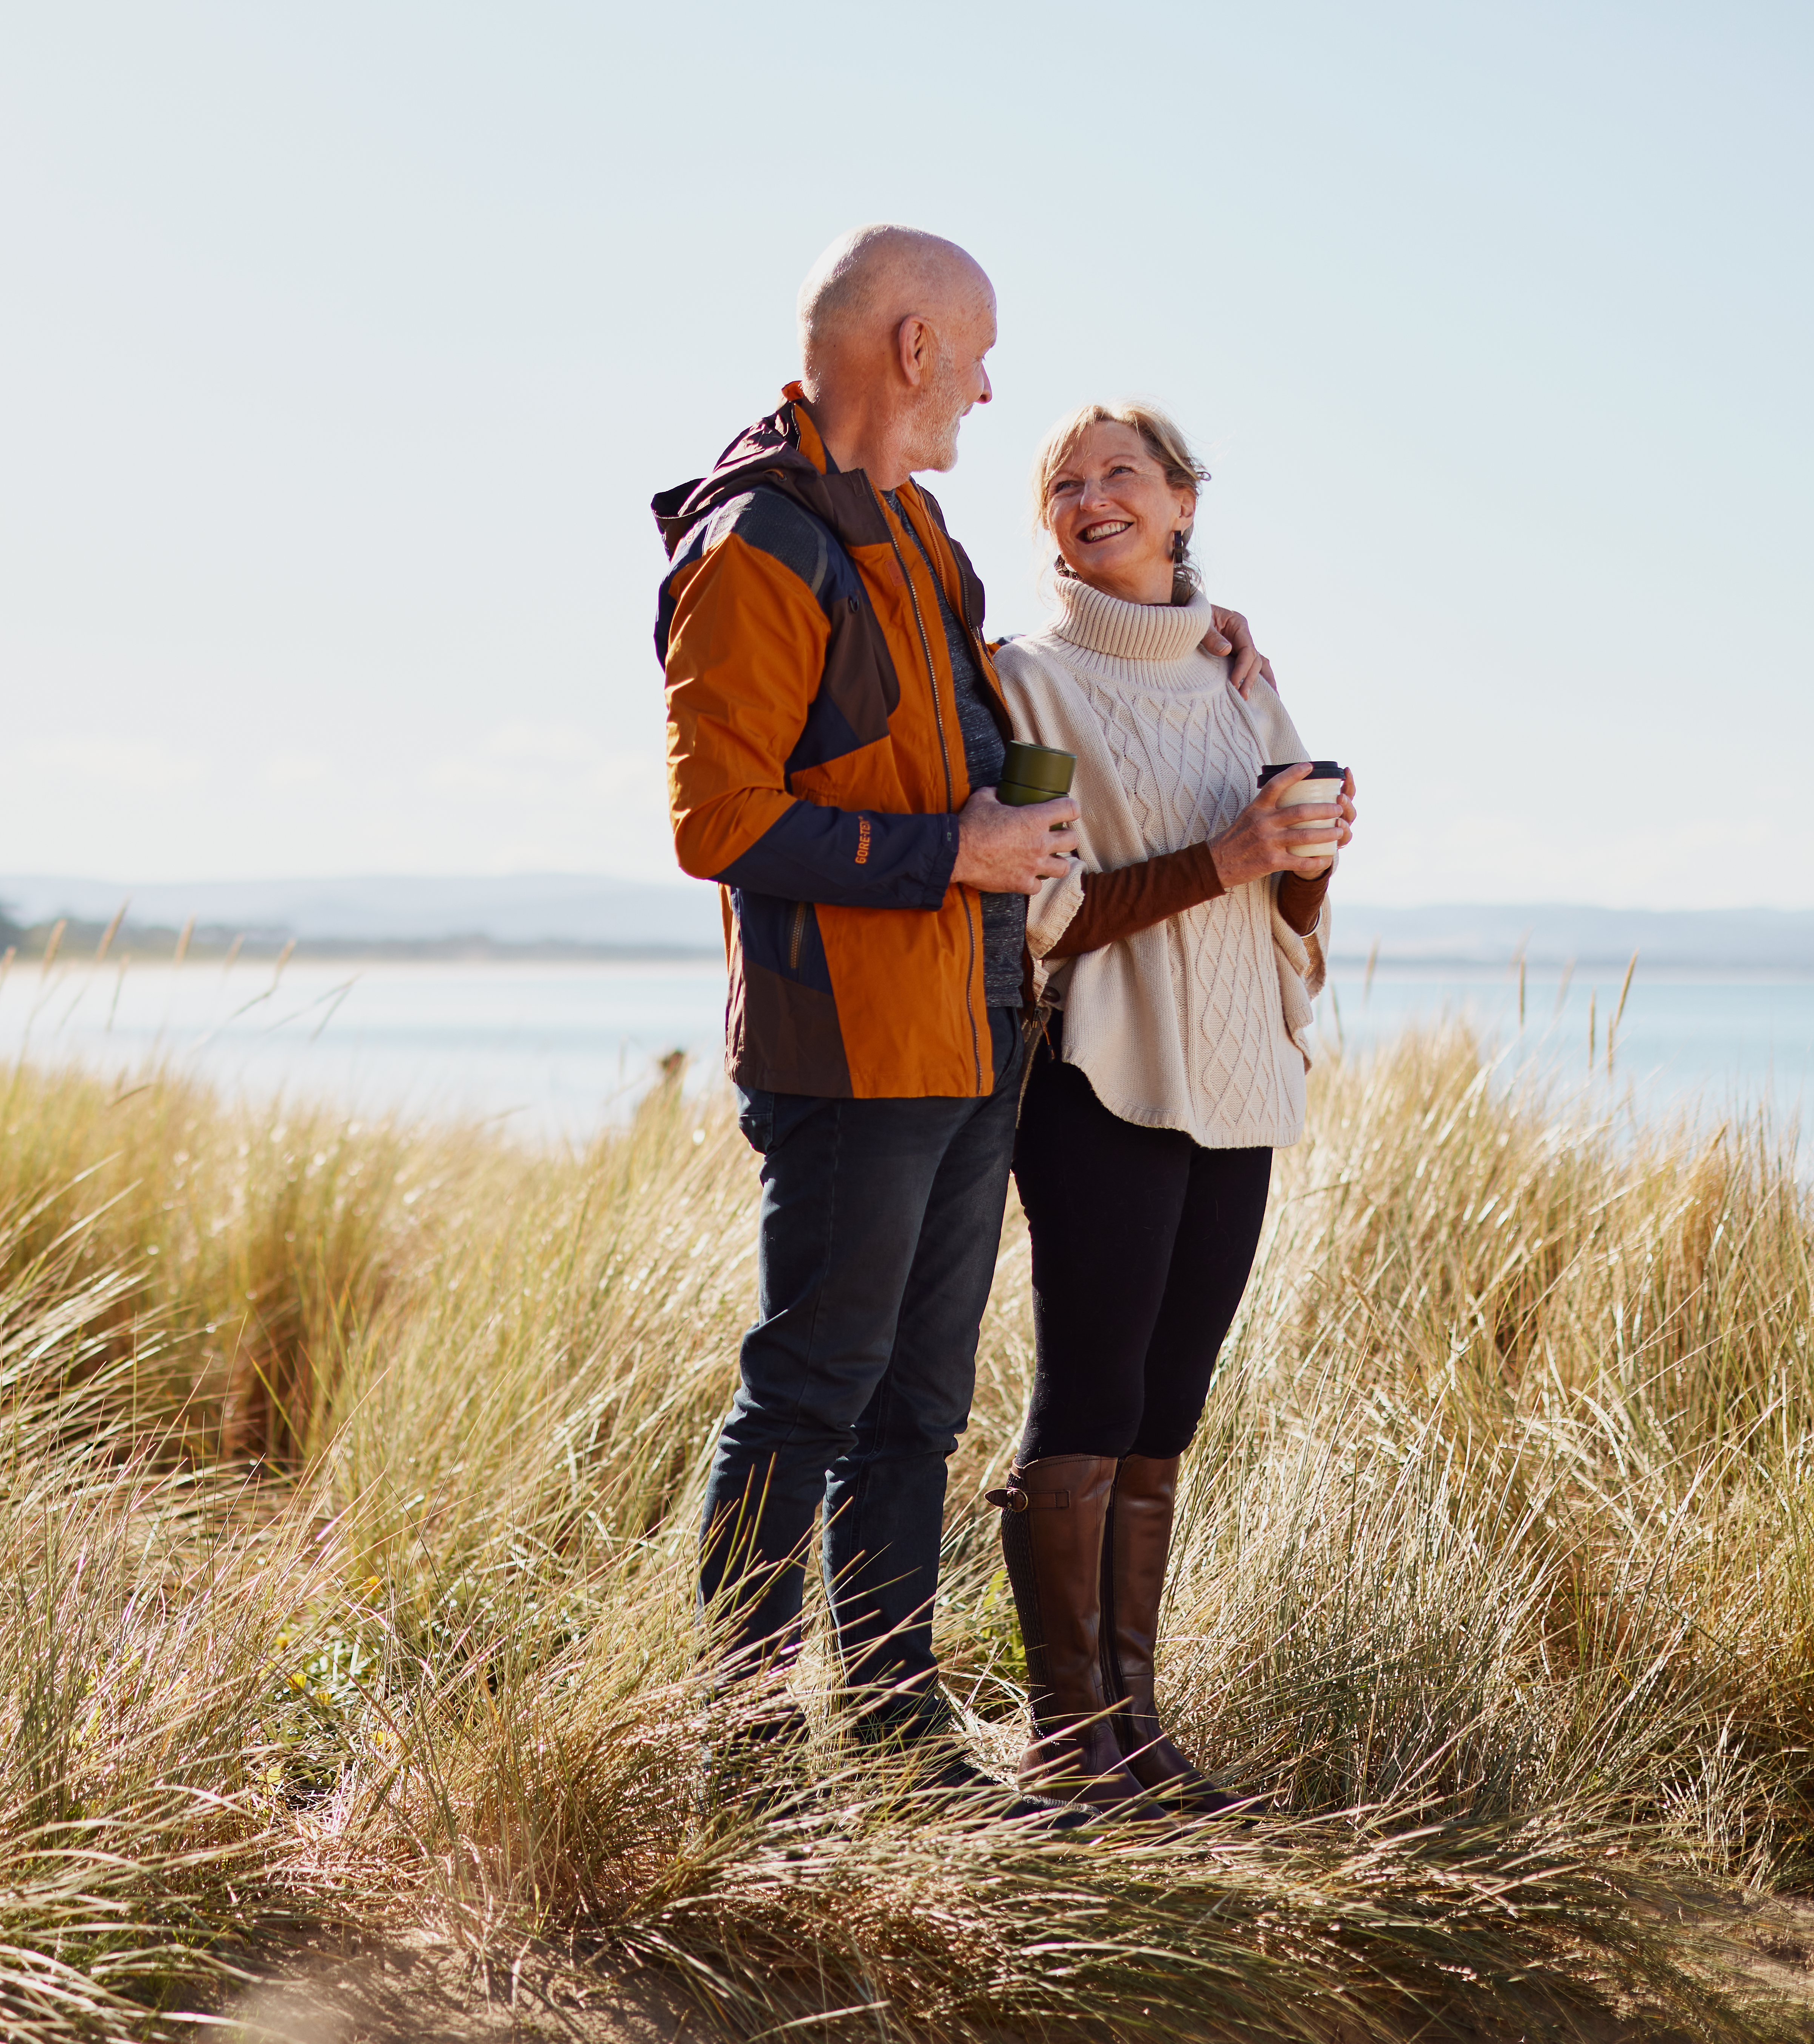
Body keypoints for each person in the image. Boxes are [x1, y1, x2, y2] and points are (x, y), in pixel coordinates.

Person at [652, 229, 1273, 1782]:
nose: (990, 392)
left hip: (967, 1044)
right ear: (910, 345)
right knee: (806, 1388)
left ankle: (891, 1721)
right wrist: (958, 849)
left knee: (918, 1407)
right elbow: (715, 822)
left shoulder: (920, 541)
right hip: (843, 1047)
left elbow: (986, 731)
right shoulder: (757, 543)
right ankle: (725, 1742)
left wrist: (1203, 636)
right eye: (978, 356)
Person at [982, 402, 1354, 1816]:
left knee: (1165, 1409)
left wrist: (1307, 854)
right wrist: (1238, 848)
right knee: (1084, 1397)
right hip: (1103, 1079)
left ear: (1184, 501)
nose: (1089, 502)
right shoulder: (1028, 680)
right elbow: (1052, 918)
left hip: (1242, 1077)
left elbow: (1282, 897)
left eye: (1118, 476)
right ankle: (1059, 1742)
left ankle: (1134, 1730)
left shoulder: (1238, 672)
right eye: (1062, 486)